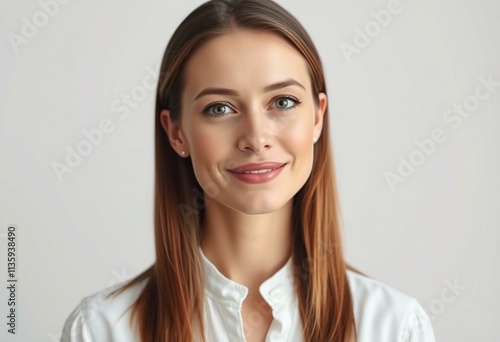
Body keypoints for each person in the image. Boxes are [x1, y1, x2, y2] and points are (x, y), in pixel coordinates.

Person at [61, 0, 437, 341]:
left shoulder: (395, 327)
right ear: (177, 133)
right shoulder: (101, 329)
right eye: (220, 108)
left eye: (283, 101)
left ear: (318, 117)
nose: (256, 138)